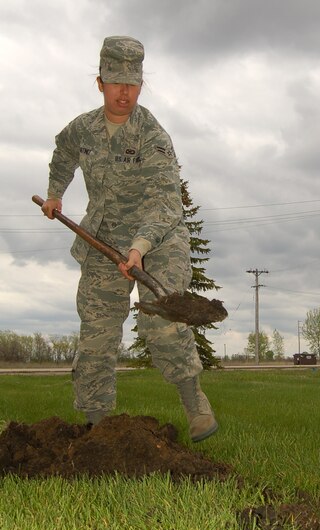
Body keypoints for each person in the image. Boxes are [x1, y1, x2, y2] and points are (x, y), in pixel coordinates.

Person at [40, 36, 218, 442]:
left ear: (141, 84)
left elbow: (164, 202)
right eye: (116, 82)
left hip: (158, 240)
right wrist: (55, 193)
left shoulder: (152, 136)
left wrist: (139, 248)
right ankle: (97, 428)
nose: (124, 93)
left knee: (162, 320)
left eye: (132, 83)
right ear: (100, 82)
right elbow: (63, 153)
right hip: (103, 238)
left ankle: (196, 406)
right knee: (97, 332)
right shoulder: (81, 129)